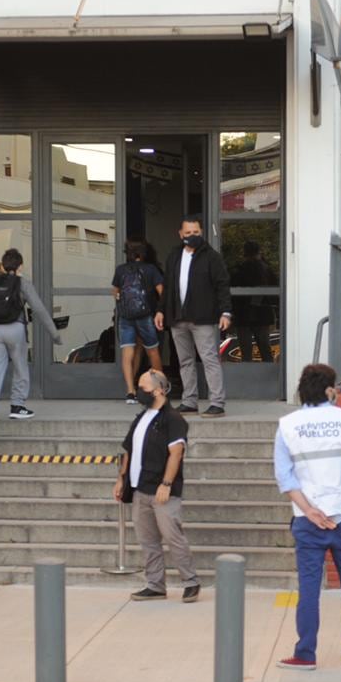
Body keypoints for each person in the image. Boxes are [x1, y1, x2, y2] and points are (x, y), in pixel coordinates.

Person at [274, 363, 341, 670]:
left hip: (309, 520)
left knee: (309, 589)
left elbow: (285, 477)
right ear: (329, 390)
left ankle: (306, 654)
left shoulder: (287, 425)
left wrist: (308, 509)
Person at [112, 369, 201, 603]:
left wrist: (167, 483)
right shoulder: (141, 418)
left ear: (159, 390)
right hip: (139, 488)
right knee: (147, 539)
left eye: (143, 388)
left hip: (161, 490)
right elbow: (129, 450)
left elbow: (176, 453)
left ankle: (190, 581)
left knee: (173, 536)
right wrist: (121, 478)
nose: (139, 392)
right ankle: (155, 584)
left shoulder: (173, 419)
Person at [0, 248, 63, 437]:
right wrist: (54, 335)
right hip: (14, 328)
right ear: (20, 265)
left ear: (3, 265)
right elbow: (39, 309)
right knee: (20, 366)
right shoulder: (22, 283)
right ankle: (17, 406)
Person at [154, 214, 231, 417]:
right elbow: (168, 287)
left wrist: (225, 312)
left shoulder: (212, 257)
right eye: (188, 232)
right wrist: (161, 310)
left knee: (209, 359)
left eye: (195, 232)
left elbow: (222, 285)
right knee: (185, 361)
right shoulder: (174, 256)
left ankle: (217, 402)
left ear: (202, 232)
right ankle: (189, 401)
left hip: (203, 317)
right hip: (177, 318)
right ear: (180, 234)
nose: (192, 235)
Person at [111, 238, 165, 404]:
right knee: (153, 351)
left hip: (126, 317)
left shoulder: (120, 270)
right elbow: (162, 291)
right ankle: (160, 388)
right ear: (143, 253)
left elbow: (115, 292)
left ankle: (130, 391)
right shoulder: (151, 269)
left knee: (128, 353)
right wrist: (160, 310)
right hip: (145, 316)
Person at [229, 240, 276, 363]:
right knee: (265, 348)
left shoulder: (239, 270)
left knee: (246, 351)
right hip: (261, 313)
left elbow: (233, 291)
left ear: (245, 253)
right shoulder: (265, 269)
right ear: (259, 252)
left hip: (243, 314)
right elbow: (272, 288)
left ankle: (247, 377)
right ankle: (268, 375)